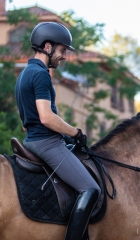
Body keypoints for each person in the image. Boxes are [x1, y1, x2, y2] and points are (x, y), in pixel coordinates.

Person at [15, 22, 101, 240]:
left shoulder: (25, 73)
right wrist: (76, 133)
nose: (64, 56)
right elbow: (46, 117)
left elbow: (28, 121)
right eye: (62, 50)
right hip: (46, 143)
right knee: (91, 189)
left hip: (34, 139)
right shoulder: (41, 75)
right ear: (47, 47)